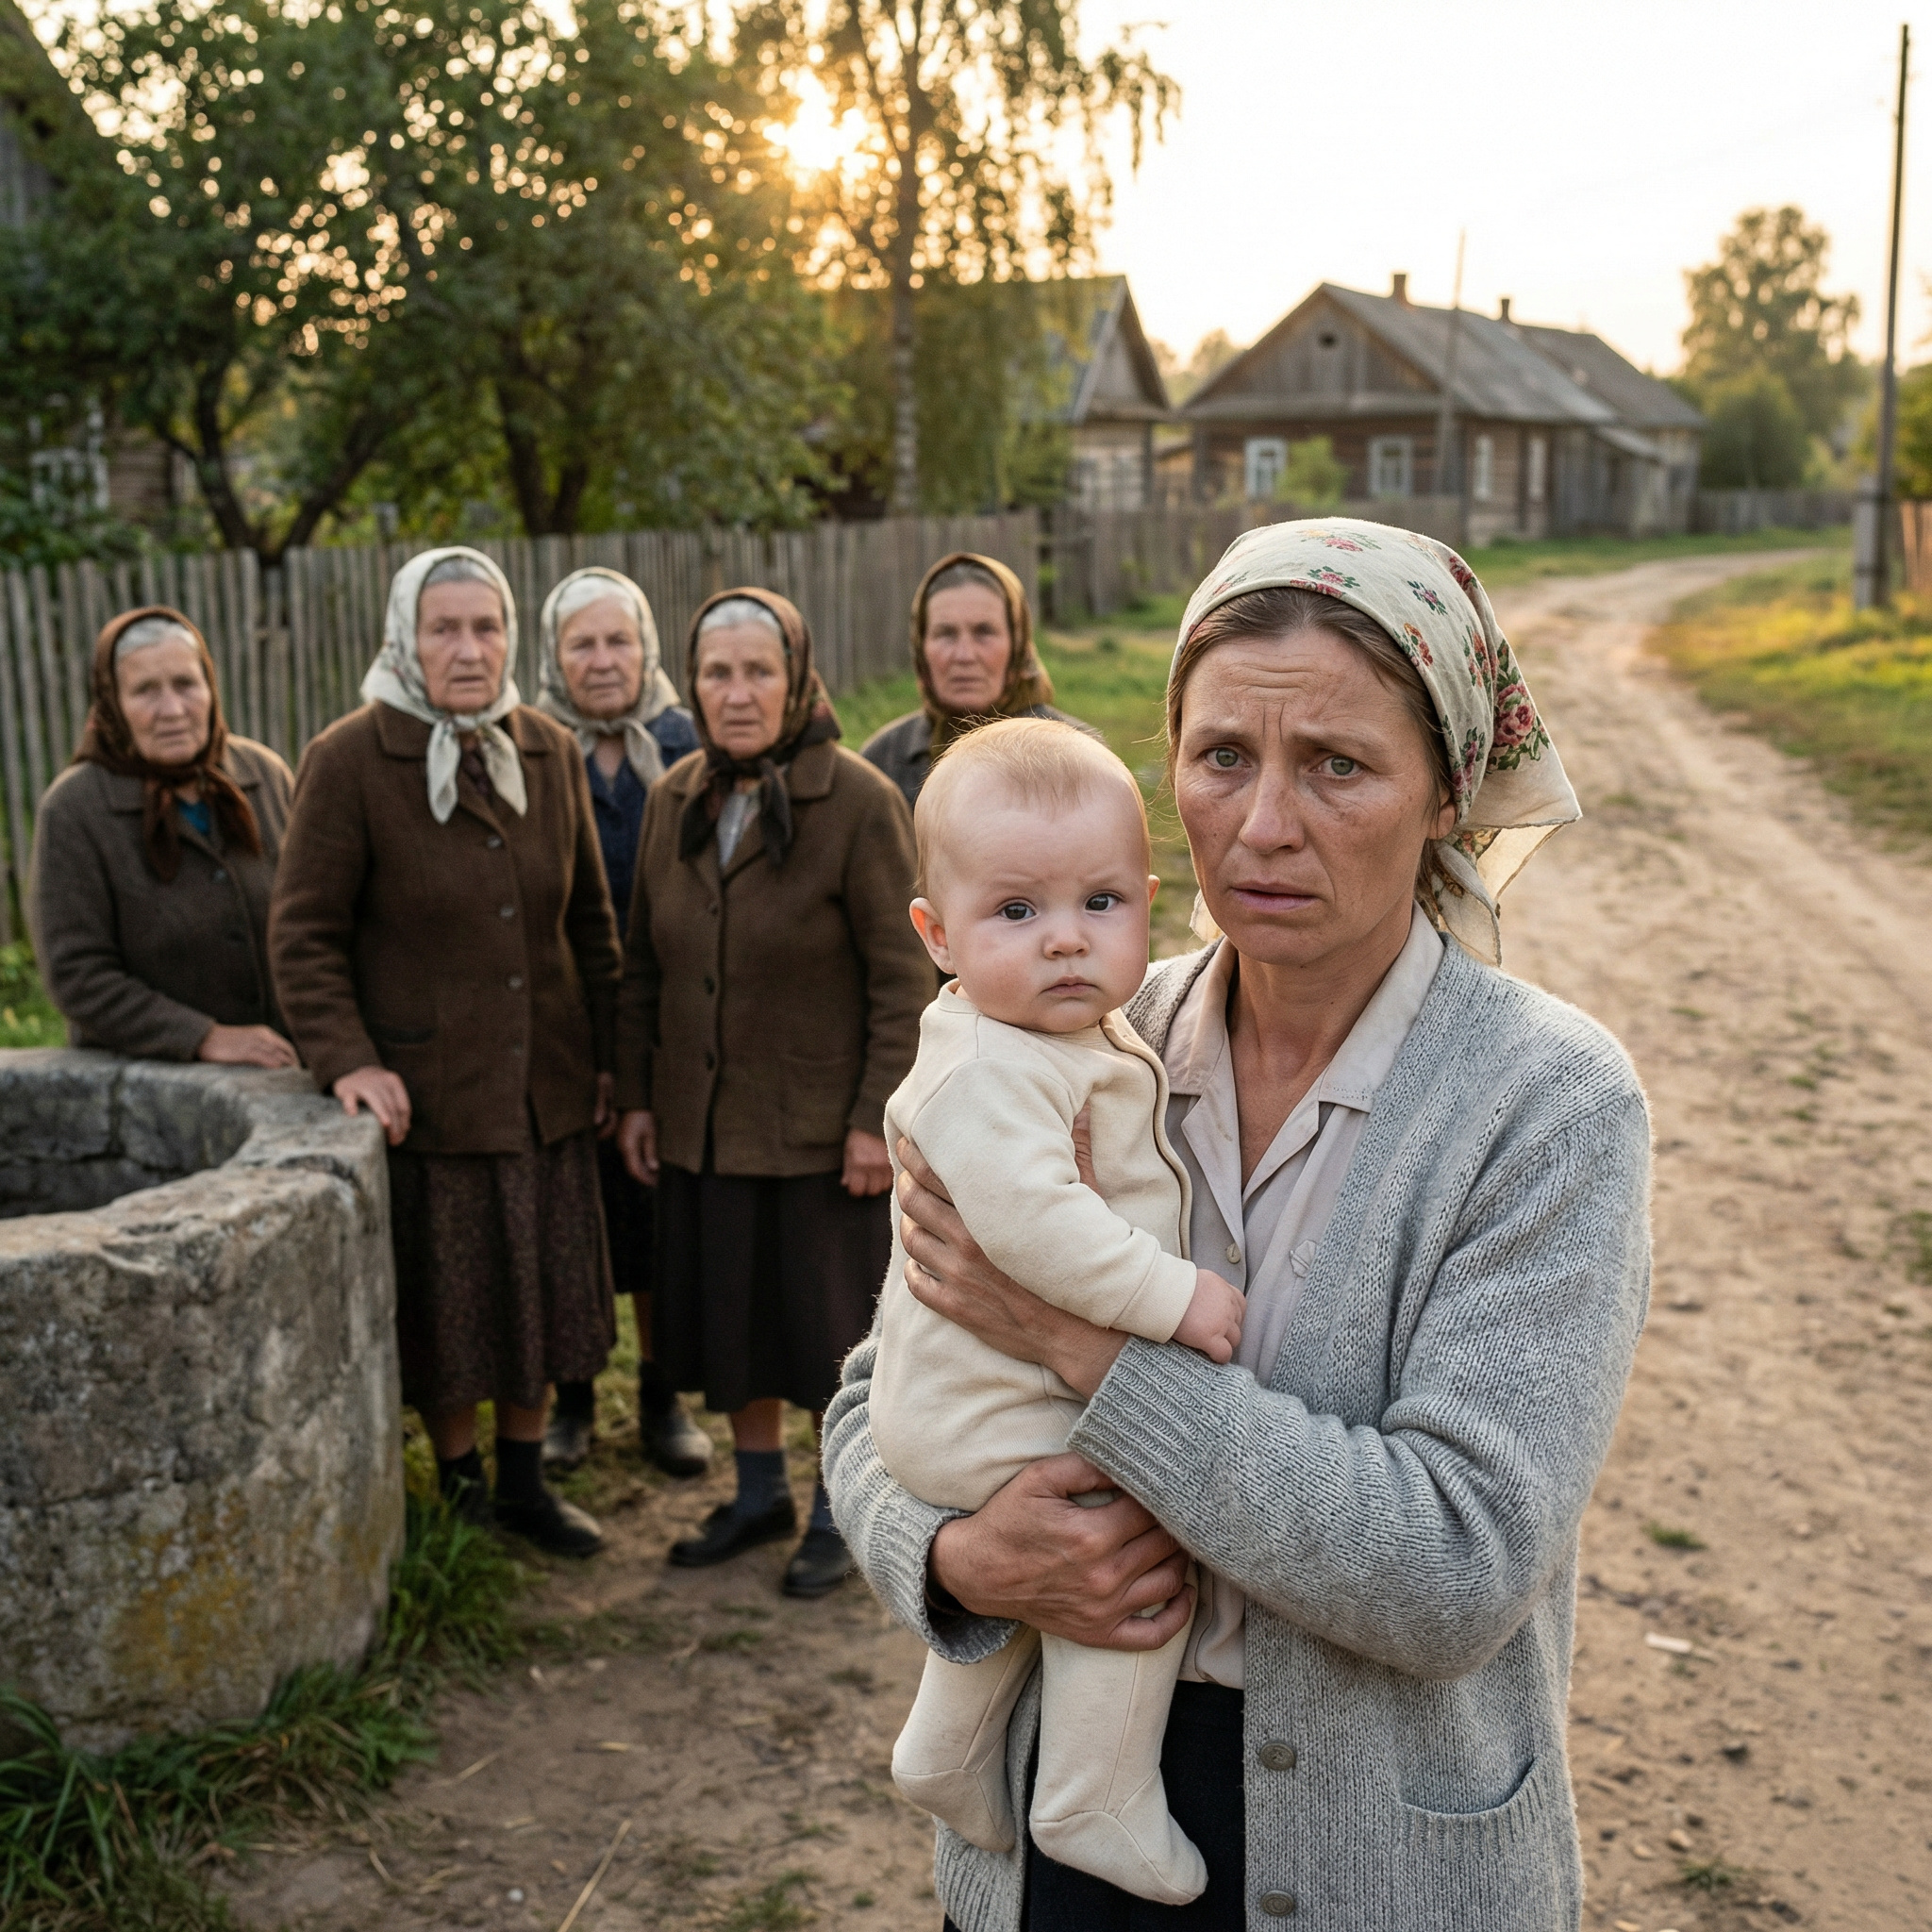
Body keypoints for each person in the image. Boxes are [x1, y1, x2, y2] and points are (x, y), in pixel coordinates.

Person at [826, 518, 1651, 1931]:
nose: (1263, 824)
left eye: (1337, 764)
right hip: (1048, 1840)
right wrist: (958, 1560)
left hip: (1375, 1851)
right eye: (1222, 758)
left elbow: (1454, 1566)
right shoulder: (1077, 1027)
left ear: (1448, 795)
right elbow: (869, 1399)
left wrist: (1089, 1353)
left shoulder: (1547, 1105)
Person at [872, 717, 1247, 1906]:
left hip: (968, 1403)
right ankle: (1092, 1788)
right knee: (1126, 1524)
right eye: (1016, 913)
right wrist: (1171, 1295)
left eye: (1097, 903)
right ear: (936, 935)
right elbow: (1032, 1227)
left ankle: (942, 1747)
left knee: (1049, 1551)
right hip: (986, 1409)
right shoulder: (988, 1065)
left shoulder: (1066, 1034)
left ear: (1146, 900)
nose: (1067, 942)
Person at [270, 546, 622, 1560]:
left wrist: (605, 1064)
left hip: (541, 1086)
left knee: (537, 1295)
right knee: (457, 1304)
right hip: (430, 1091)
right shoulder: (347, 760)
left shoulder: (545, 748)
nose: (467, 649)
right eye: (444, 629)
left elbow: (590, 927)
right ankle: (461, 1483)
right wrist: (346, 1057)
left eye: (486, 627)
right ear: (405, 639)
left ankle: (522, 1483)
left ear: (510, 636)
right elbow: (303, 936)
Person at [615, 588, 930, 1599]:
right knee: (734, 1325)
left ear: (797, 680)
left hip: (818, 1133)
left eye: (759, 671)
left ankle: (840, 1510)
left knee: (826, 1336)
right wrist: (637, 1097)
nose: (737, 692)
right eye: (717, 672)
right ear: (693, 684)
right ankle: (757, 1493)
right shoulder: (673, 799)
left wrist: (873, 1117)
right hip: (704, 1124)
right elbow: (640, 970)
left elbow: (902, 977)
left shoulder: (857, 802)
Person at [531, 565, 710, 1480]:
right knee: (576, 1214)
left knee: (654, 1216)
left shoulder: (689, 745)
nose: (601, 662)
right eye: (581, 644)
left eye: (617, 641)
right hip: (561, 1026)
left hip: (666, 1021)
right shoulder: (525, 746)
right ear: (554, 657)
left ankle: (660, 1393)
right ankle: (569, 1398)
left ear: (644, 648)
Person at [30, 606, 297, 1068]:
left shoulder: (263, 776)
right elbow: (77, 975)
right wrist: (202, 1037)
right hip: (150, 1088)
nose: (172, 710)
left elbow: (317, 920)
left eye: (186, 684)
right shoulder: (75, 810)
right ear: (112, 704)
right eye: (145, 691)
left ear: (210, 688)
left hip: (286, 1068)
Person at [861, 552, 1099, 808]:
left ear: (1017, 645)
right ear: (921, 647)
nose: (964, 655)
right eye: (946, 634)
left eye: (984, 632)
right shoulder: (882, 763)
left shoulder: (1077, 756)